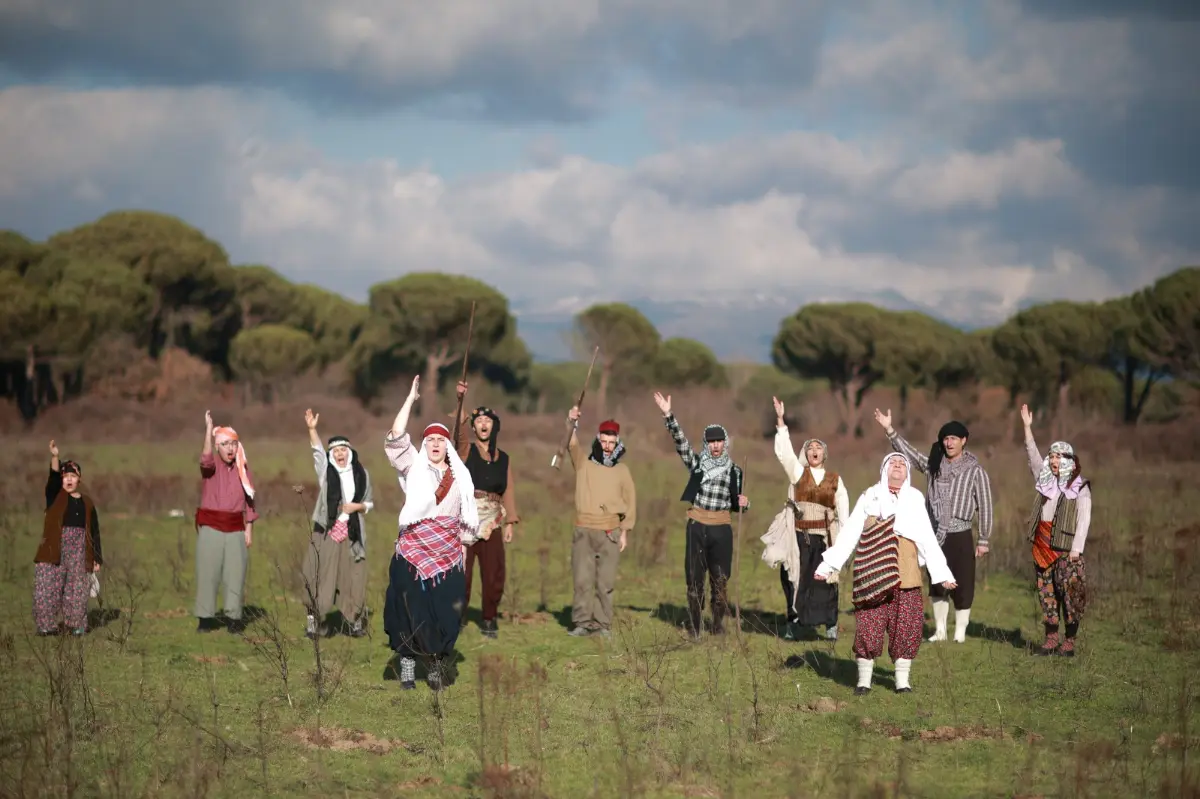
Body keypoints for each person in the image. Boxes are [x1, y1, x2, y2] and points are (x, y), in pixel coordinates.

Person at [814, 453, 956, 695]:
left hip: (906, 573)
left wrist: (941, 572)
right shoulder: (871, 496)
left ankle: (902, 683)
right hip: (873, 573)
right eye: (893, 463)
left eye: (902, 464)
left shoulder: (914, 498)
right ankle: (863, 682)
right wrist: (829, 564)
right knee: (869, 625)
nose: (898, 466)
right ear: (884, 469)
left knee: (907, 627)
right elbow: (850, 532)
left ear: (908, 472)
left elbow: (927, 538)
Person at [383, 376, 480, 690]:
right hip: (412, 554)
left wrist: (460, 403)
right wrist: (410, 399)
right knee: (408, 612)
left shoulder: (458, 476)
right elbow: (397, 435)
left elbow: (465, 443)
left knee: (447, 613)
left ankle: (437, 663)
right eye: (430, 441)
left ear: (447, 445)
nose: (436, 444)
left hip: (448, 556)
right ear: (423, 446)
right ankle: (409, 666)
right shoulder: (414, 467)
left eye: (441, 440)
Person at [873, 409, 993, 643]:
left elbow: (985, 504)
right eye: (946, 439)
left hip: (962, 532)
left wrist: (983, 539)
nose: (949, 443)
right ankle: (940, 630)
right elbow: (911, 455)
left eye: (954, 439)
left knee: (963, 582)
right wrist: (889, 430)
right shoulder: (933, 465)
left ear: (963, 441)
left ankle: (960, 632)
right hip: (934, 533)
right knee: (937, 581)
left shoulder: (975, 471)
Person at [653, 391, 748, 638]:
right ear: (706, 443)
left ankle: (717, 626)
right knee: (694, 580)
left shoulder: (735, 471)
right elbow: (681, 442)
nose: (715, 445)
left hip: (721, 530)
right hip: (697, 526)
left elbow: (737, 504)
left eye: (719, 441)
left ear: (725, 443)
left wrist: (744, 503)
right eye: (711, 441)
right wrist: (668, 415)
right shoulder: (696, 464)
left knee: (720, 580)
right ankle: (695, 628)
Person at [772, 396, 849, 641]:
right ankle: (794, 623)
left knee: (826, 581)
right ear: (805, 454)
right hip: (800, 536)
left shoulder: (835, 479)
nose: (814, 451)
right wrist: (781, 422)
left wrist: (844, 543)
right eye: (810, 448)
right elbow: (785, 455)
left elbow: (843, 511)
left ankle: (830, 624)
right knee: (796, 578)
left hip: (826, 538)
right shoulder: (798, 474)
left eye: (818, 448)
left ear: (824, 454)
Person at [1020, 404, 1091, 658]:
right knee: (1047, 594)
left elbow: (1083, 520)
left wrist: (1076, 550)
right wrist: (1027, 428)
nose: (1053, 461)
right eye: (1051, 457)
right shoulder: (1044, 479)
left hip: (1066, 550)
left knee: (1071, 596)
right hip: (1042, 546)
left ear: (1070, 461)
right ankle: (1051, 639)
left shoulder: (1079, 489)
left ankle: (1069, 642)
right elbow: (1032, 455)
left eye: (1058, 457)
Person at [451, 381, 520, 640]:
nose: (483, 424)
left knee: (494, 574)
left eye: (487, 421)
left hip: (493, 522)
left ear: (494, 425)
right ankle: (457, 616)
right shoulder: (465, 450)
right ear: (474, 425)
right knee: (462, 574)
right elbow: (457, 431)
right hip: (466, 521)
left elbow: (508, 489)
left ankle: (489, 619)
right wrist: (460, 401)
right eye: (478, 420)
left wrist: (510, 522)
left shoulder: (503, 458)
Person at [564, 405, 637, 637]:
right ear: (598, 440)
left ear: (617, 443)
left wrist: (624, 531)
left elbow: (630, 501)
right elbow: (570, 443)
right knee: (582, 580)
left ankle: (603, 624)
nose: (607, 446)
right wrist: (571, 421)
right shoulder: (584, 463)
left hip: (610, 531)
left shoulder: (622, 470)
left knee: (605, 583)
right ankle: (582, 622)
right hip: (584, 529)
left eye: (611, 442)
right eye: (603, 441)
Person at [301, 408, 374, 639]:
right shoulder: (327, 472)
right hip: (328, 531)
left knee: (354, 576)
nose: (340, 454)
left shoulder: (362, 474)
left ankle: (353, 621)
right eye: (336, 451)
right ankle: (315, 621)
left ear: (350, 452)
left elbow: (369, 503)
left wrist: (357, 508)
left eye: (344, 450)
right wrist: (312, 430)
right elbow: (317, 454)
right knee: (319, 574)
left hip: (353, 532)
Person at [195, 412, 257, 635]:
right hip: (211, 525)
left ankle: (233, 619)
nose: (230, 449)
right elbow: (205, 459)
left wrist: (249, 528)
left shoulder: (243, 467)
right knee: (208, 573)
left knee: (235, 574)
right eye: (225, 444)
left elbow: (250, 500)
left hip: (235, 527)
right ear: (218, 446)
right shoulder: (211, 466)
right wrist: (208, 429)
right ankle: (205, 619)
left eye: (233, 444)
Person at [33, 440, 102, 636]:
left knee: (77, 588)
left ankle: (76, 624)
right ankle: (46, 626)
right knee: (48, 587)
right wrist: (55, 456)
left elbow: (94, 532)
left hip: (80, 550)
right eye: (65, 476)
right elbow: (53, 478)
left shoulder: (87, 503)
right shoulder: (55, 496)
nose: (69, 480)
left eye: (73, 476)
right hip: (54, 548)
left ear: (79, 479)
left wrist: (97, 557)